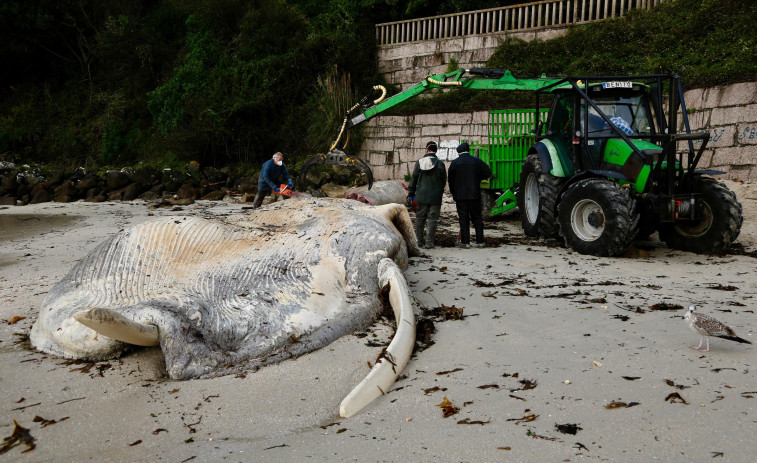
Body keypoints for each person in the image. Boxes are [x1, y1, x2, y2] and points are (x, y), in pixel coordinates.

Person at [447, 142, 492, 248]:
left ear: (459, 152)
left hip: (460, 196)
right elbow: (488, 172)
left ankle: (465, 242)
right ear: (468, 150)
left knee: (463, 218)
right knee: (477, 218)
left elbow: (451, 180)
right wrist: (477, 178)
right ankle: (480, 241)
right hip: (474, 195)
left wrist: (454, 192)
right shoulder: (476, 161)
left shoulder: (455, 163)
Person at [407, 141, 447, 249]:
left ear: (427, 150)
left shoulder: (419, 163)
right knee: (432, 219)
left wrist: (411, 192)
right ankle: (429, 243)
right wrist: (439, 190)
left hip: (421, 196)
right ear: (436, 151)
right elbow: (443, 180)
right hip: (435, 197)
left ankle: (419, 242)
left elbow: (414, 179)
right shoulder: (440, 164)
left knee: (420, 219)